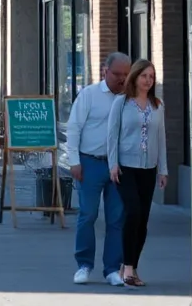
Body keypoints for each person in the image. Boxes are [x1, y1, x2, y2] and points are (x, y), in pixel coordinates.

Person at [67, 51, 131, 287]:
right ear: (105, 71)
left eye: (126, 74)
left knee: (117, 218)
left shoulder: (130, 97)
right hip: (90, 161)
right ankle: (84, 265)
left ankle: (112, 268)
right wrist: (74, 160)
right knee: (88, 214)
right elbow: (74, 127)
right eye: (117, 74)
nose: (122, 79)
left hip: (119, 165)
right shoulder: (89, 95)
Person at [108, 59, 168, 287]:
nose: (148, 80)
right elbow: (112, 135)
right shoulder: (121, 103)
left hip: (148, 168)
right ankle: (128, 266)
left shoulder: (157, 105)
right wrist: (112, 163)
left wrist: (163, 169)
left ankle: (131, 266)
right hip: (125, 167)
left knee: (143, 219)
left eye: (152, 77)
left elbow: (161, 138)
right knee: (132, 211)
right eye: (144, 76)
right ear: (135, 77)